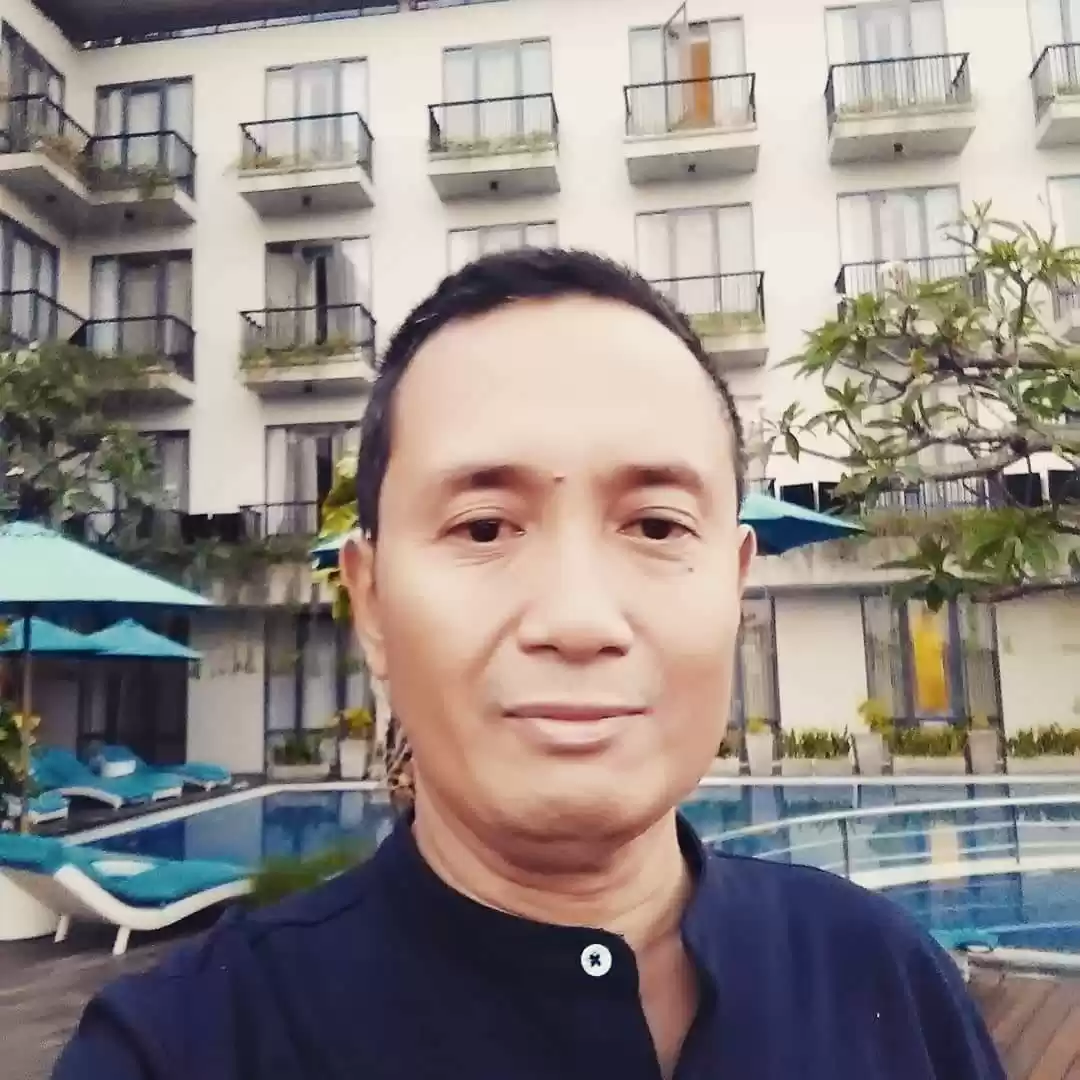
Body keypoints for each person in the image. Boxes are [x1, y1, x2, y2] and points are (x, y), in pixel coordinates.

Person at [53, 249, 1006, 1080]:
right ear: (371, 603)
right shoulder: (181, 1050)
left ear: (735, 582)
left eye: (657, 526)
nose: (577, 621)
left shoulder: (884, 977)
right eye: (482, 527)